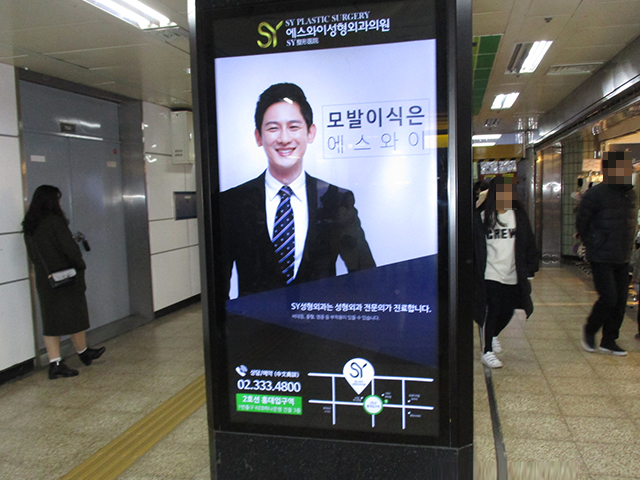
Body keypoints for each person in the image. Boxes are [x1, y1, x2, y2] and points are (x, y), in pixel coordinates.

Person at [221, 83, 375, 297]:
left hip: (318, 317)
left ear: (310, 133)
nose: (284, 139)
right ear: (258, 136)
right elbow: (218, 287)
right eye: (273, 128)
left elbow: (366, 276)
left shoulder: (335, 199)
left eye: (293, 127)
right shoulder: (232, 202)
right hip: (254, 319)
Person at [22, 185, 105, 379]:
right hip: (66, 277)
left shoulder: (29, 225)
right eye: (58, 199)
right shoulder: (54, 222)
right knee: (75, 314)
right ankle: (73, 357)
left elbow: (33, 256)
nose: (60, 203)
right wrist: (80, 264)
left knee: (52, 320)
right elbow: (70, 249)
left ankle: (68, 358)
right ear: (50, 201)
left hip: (46, 279)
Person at [474, 176, 539, 368]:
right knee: (493, 308)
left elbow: (528, 242)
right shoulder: (482, 217)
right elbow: (474, 247)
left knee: (508, 310)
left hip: (512, 272)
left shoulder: (518, 216)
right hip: (490, 272)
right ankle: (487, 351)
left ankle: (493, 334)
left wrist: (530, 267)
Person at [577, 152, 637, 355]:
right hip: (601, 255)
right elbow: (582, 222)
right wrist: (593, 242)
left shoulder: (630, 194)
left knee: (620, 300)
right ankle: (590, 329)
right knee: (609, 297)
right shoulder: (596, 194)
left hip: (622, 254)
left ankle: (609, 339)